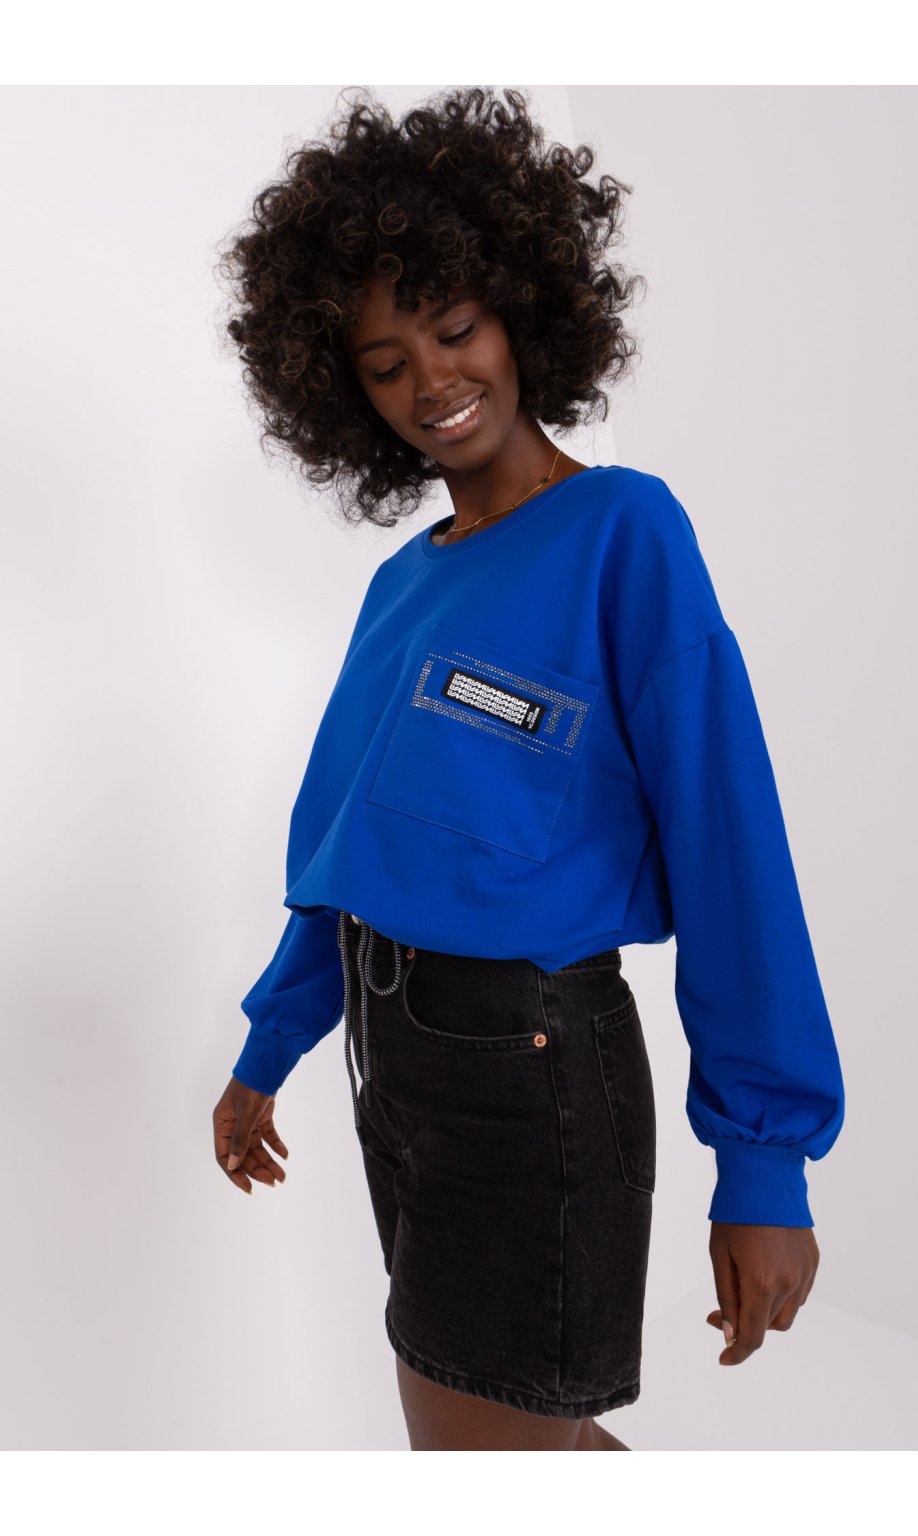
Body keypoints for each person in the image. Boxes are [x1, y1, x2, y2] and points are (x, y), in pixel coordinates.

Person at [210, 85, 845, 1452]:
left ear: (522, 312)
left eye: (455, 329)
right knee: (511, 1447)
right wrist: (271, 1046)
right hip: (393, 1064)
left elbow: (731, 842)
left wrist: (765, 1161)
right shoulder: (400, 589)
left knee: (482, 1456)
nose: (433, 381)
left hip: (531, 1074)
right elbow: (352, 854)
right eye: (385, 363)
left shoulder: (625, 533)